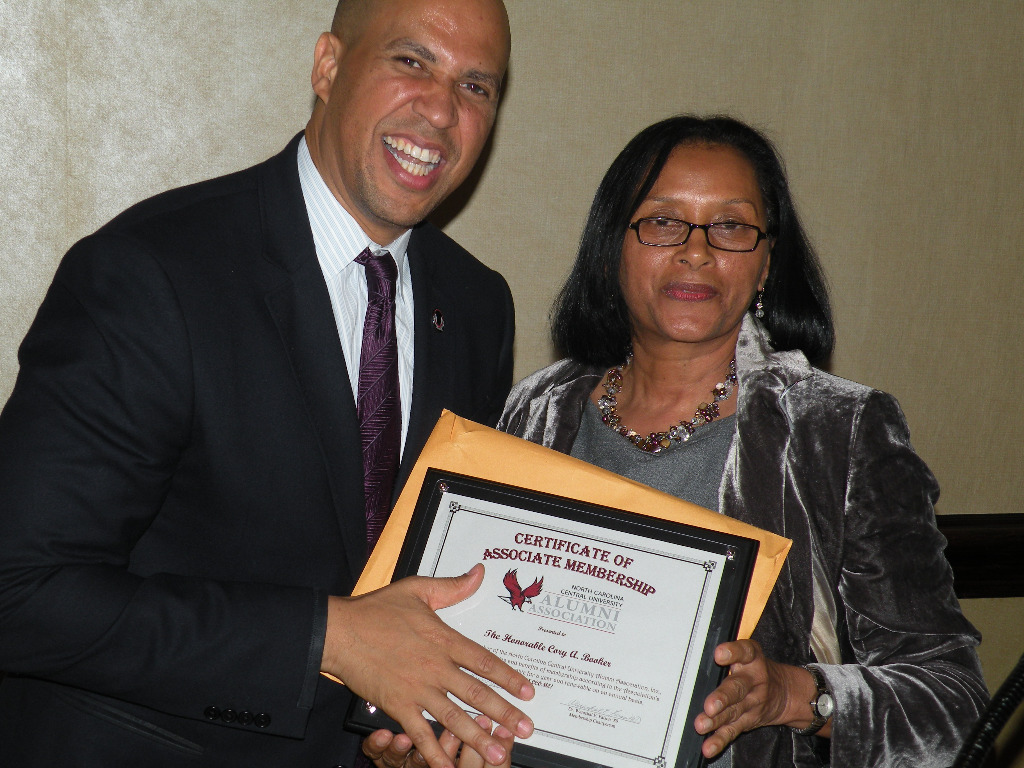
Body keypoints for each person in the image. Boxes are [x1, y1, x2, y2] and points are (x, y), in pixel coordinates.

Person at [0, 1, 537, 766]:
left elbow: (418, 589)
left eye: (477, 86)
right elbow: (19, 590)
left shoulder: (478, 304)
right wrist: (332, 637)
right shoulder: (154, 273)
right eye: (410, 62)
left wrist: (410, 726)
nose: (443, 111)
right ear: (327, 67)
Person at [361, 115, 987, 768]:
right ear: (613, 248)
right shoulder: (535, 408)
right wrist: (431, 743)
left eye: (731, 226)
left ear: (768, 258)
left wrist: (794, 694)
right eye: (663, 223)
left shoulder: (839, 430)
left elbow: (952, 702)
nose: (696, 251)